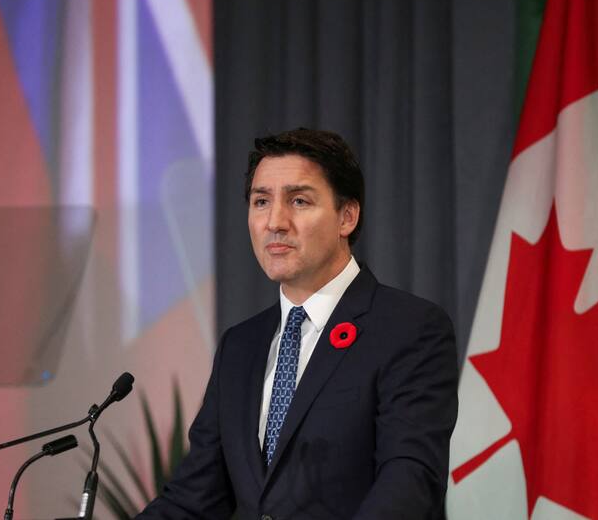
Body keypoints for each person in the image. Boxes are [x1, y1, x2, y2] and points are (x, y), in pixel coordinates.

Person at [137, 128, 458, 519]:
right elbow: (193, 500)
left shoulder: (409, 328)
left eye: (299, 201)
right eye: (260, 202)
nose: (275, 221)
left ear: (347, 216)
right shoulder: (241, 346)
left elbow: (408, 482)